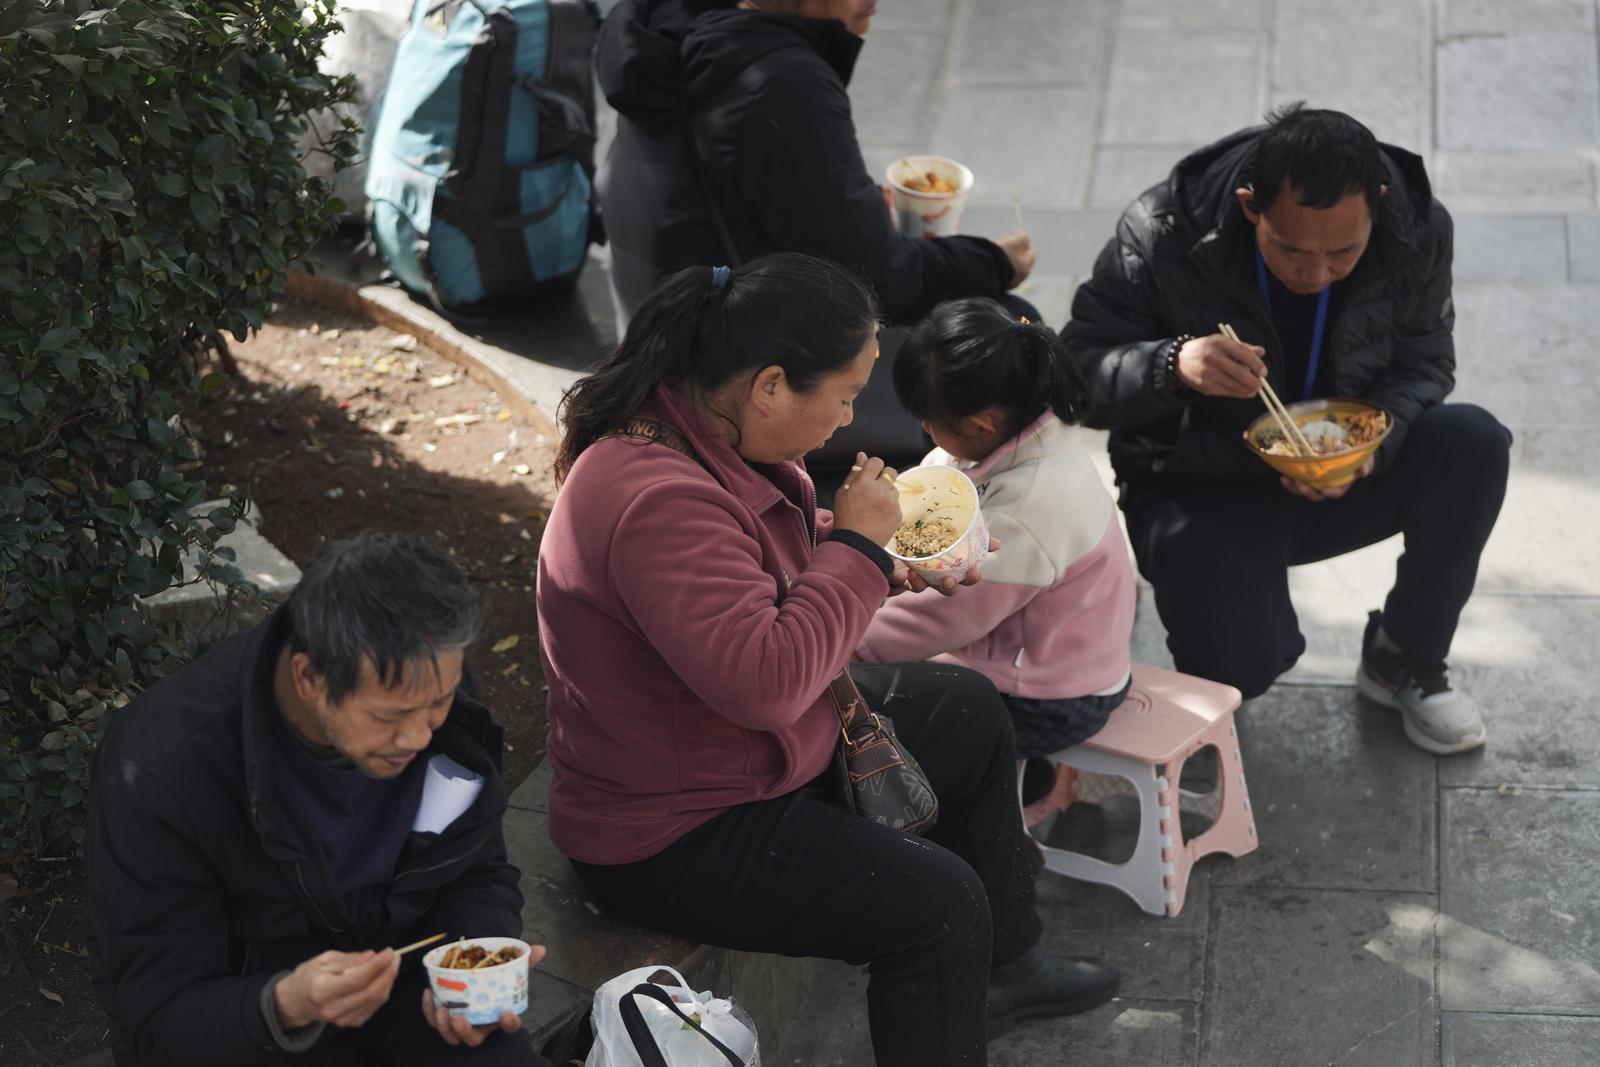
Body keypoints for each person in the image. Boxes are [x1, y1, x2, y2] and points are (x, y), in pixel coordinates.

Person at [536, 253, 1119, 1066]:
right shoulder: (656, 500)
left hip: (746, 754)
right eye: (845, 395)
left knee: (968, 708)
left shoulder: (707, 430)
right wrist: (857, 551)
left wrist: (884, 558)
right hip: (676, 825)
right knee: (937, 904)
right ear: (771, 386)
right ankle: (961, 975)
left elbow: (755, 567)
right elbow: (768, 684)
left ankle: (1008, 968)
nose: (848, 420)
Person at [1061, 103, 1512, 754]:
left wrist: (1371, 448)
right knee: (1242, 663)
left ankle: (1405, 657)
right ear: (1251, 207)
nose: (1316, 274)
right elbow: (1074, 377)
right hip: (1199, 479)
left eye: (1343, 252)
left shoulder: (1417, 227)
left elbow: (1425, 361)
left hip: (1336, 462)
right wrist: (1173, 366)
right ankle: (1223, 663)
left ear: (1379, 204)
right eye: (1292, 250)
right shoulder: (1164, 230)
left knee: (1474, 445)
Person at [87, 533, 546, 1067]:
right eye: (389, 717)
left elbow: (478, 872)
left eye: (439, 703)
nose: (421, 737)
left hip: (407, 991)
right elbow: (154, 1019)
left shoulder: (425, 678)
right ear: (308, 677)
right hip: (253, 1026)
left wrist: (470, 960)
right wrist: (283, 1006)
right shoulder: (164, 770)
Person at [859, 299, 1137, 824]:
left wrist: (852, 640)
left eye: (928, 420)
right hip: (1053, 656)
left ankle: (1010, 799)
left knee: (875, 716)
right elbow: (947, 467)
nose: (924, 429)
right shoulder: (1025, 438)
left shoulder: (1029, 506)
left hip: (1053, 698)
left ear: (982, 424)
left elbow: (947, 615)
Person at [593, 0, 1036, 327]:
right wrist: (994, 261)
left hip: (656, 327)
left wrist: (862, 211)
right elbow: (875, 279)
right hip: (718, 367)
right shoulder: (780, 83)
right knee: (1012, 326)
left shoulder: (671, 28)